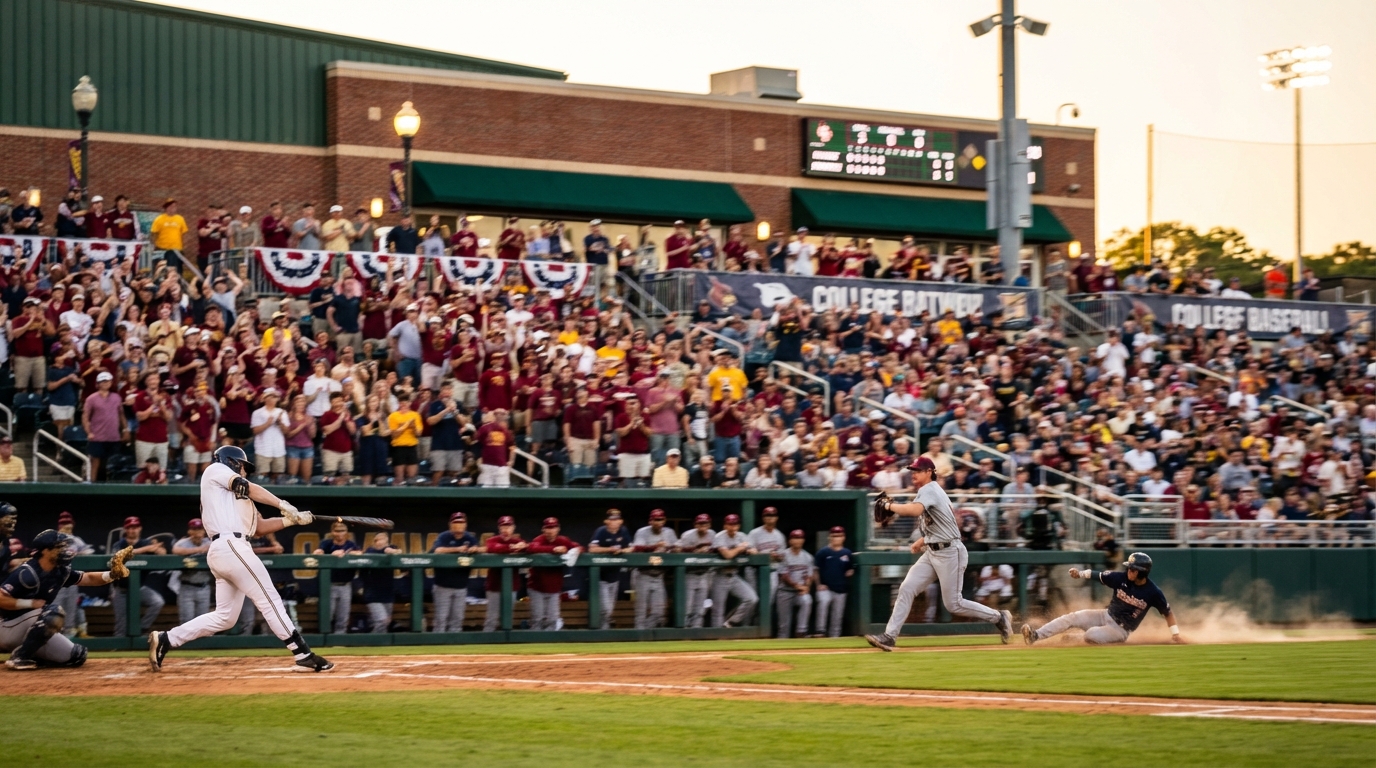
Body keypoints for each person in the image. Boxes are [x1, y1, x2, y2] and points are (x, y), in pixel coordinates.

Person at [148, 446, 333, 673]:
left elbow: (260, 528)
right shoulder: (215, 470)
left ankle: (167, 639)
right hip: (229, 546)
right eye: (244, 466)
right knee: (269, 598)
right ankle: (303, 654)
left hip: (231, 549)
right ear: (233, 462)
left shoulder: (243, 500)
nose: (245, 471)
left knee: (225, 617)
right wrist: (283, 504)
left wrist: (293, 520)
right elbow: (246, 486)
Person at [865, 457, 1014, 651]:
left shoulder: (930, 489)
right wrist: (923, 539)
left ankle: (999, 617)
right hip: (933, 551)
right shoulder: (930, 491)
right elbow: (942, 520)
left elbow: (914, 510)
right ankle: (889, 636)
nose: (913, 474)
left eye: (917, 471)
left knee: (953, 604)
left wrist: (888, 506)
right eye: (912, 471)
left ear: (929, 472)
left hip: (950, 552)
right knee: (907, 588)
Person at [0, 529, 128, 670]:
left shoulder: (60, 570)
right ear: (45, 551)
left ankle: (32, 655)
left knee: (77, 655)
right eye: (59, 547)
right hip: (8, 626)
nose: (65, 550)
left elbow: (88, 578)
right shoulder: (27, 573)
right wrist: (30, 603)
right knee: (53, 613)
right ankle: (20, 657)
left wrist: (112, 574)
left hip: (32, 626)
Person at [1023, 553, 1183, 646]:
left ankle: (1078, 638)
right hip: (1104, 615)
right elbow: (1097, 574)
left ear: (1143, 572)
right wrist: (1079, 574)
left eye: (1133, 569)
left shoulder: (1153, 592)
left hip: (1120, 630)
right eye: (1129, 567)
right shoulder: (1121, 578)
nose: (1129, 571)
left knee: (1091, 635)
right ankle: (1035, 636)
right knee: (1071, 617)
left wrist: (1175, 634)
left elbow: (1167, 613)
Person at [109, 516, 166, 637]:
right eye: (129, 527)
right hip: (121, 590)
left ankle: (142, 628)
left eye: (135, 527)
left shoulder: (146, 542)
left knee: (157, 602)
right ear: (125, 529)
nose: (132, 530)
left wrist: (158, 550)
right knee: (120, 630)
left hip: (139, 588)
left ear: (139, 528)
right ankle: (119, 651)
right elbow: (119, 555)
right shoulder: (119, 543)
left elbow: (162, 553)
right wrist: (148, 549)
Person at [429, 512, 479, 633]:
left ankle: (454, 648)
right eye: (456, 522)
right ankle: (438, 646)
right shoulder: (444, 536)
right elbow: (437, 550)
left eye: (461, 522)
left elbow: (481, 549)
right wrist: (457, 549)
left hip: (461, 586)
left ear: (466, 524)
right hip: (443, 586)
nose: (459, 525)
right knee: (441, 619)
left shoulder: (469, 538)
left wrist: (476, 549)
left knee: (457, 619)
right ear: (450, 524)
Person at [525, 517, 577, 631]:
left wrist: (574, 551)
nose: (550, 530)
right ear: (543, 529)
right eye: (548, 528)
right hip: (536, 587)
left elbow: (579, 547)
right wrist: (553, 549)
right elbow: (532, 548)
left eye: (553, 527)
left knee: (552, 620)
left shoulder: (563, 540)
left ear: (558, 528)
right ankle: (535, 646)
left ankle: (549, 647)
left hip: (554, 588)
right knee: (537, 619)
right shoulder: (539, 539)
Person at [631, 509, 679, 629]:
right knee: (641, 611)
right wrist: (655, 546)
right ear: (650, 521)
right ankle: (639, 639)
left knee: (659, 612)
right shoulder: (642, 532)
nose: (659, 522)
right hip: (643, 574)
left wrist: (675, 549)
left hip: (659, 576)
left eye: (661, 519)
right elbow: (637, 548)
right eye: (656, 520)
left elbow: (677, 548)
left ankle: (646, 635)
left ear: (664, 520)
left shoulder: (669, 533)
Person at [710, 513, 759, 628]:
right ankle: (715, 638)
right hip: (719, 575)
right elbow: (727, 555)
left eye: (735, 524)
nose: (733, 527)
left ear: (738, 526)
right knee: (718, 611)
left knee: (752, 598)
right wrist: (741, 548)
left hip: (734, 576)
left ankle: (731, 622)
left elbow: (754, 551)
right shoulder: (719, 537)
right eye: (730, 524)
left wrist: (751, 550)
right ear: (725, 526)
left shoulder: (741, 536)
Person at [587, 509, 632, 630]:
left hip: (615, 576)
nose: (614, 522)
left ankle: (604, 630)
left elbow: (631, 548)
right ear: (606, 521)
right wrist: (609, 549)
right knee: (605, 609)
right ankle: (601, 631)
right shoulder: (601, 531)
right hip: (601, 577)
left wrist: (622, 551)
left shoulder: (623, 531)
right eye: (612, 519)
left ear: (621, 521)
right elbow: (592, 549)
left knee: (609, 610)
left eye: (617, 519)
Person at [314, 519, 361, 634]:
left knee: (343, 615)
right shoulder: (326, 543)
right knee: (327, 614)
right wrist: (330, 555)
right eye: (337, 531)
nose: (339, 533)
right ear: (332, 532)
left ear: (346, 532)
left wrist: (348, 553)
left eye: (342, 530)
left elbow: (360, 553)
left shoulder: (351, 545)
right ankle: (324, 637)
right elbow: (316, 553)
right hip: (329, 584)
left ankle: (339, 640)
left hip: (346, 585)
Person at [481, 515, 526, 632]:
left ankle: (506, 643)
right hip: (494, 586)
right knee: (492, 618)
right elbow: (494, 548)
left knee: (507, 617)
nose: (506, 530)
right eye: (503, 526)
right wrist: (513, 548)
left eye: (508, 526)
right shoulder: (492, 540)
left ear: (513, 528)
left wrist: (522, 547)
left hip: (511, 586)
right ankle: (486, 643)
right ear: (499, 528)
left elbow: (529, 548)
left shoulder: (519, 541)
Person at [813, 526, 853, 638]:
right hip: (826, 587)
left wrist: (851, 571)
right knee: (823, 601)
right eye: (834, 536)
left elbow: (850, 568)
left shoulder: (847, 553)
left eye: (839, 536)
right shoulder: (823, 552)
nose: (836, 538)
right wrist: (818, 584)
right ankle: (820, 631)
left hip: (841, 588)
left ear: (843, 537)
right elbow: (815, 569)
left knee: (837, 615)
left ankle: (834, 637)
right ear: (829, 537)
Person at [171, 519, 213, 624]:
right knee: (186, 622)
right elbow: (175, 550)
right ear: (189, 531)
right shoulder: (183, 543)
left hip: (204, 587)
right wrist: (199, 550)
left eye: (200, 529)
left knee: (202, 622)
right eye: (194, 529)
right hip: (187, 587)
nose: (197, 532)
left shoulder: (209, 542)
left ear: (204, 530)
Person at [678, 513, 716, 628]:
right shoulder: (688, 536)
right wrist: (696, 551)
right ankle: (683, 633)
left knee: (700, 609)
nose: (702, 525)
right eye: (700, 523)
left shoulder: (713, 534)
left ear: (709, 524)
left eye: (705, 523)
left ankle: (696, 632)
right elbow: (677, 550)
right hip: (690, 574)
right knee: (687, 607)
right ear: (695, 524)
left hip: (705, 574)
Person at [776, 529, 815, 639]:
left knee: (807, 600)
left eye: (799, 538)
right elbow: (784, 576)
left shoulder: (808, 557)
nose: (797, 541)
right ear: (790, 541)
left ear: (803, 540)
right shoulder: (783, 555)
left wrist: (806, 586)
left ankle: (801, 631)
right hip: (785, 592)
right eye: (795, 538)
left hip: (799, 593)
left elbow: (809, 575)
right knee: (783, 627)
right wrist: (798, 586)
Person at [361, 532, 401, 633]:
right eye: (378, 540)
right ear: (375, 542)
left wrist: (393, 551)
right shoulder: (370, 551)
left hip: (388, 593)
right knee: (383, 621)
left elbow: (398, 552)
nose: (380, 542)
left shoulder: (391, 549)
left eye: (383, 540)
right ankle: (371, 642)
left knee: (385, 622)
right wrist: (386, 550)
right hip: (372, 594)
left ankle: (379, 646)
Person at [387, 396, 423, 485]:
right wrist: (406, 425)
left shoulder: (415, 415)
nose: (404, 405)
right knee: (399, 478)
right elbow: (394, 434)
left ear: (409, 403)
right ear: (398, 404)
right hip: (398, 448)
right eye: (401, 403)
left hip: (411, 447)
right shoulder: (393, 416)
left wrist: (413, 426)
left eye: (406, 402)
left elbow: (418, 434)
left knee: (412, 477)